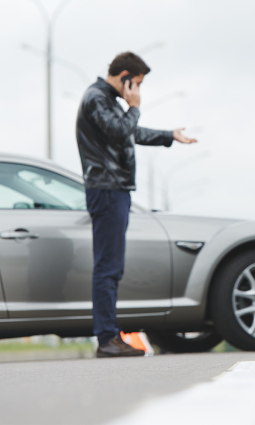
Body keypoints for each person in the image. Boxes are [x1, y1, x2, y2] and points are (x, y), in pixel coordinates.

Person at [76, 51, 197, 358]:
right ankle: (106, 338)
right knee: (108, 267)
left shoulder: (107, 101)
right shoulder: (96, 99)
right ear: (125, 76)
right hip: (106, 189)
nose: (139, 91)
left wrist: (169, 136)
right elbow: (120, 130)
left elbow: (130, 133)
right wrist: (134, 107)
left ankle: (110, 336)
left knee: (112, 267)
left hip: (114, 189)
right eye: (137, 83)